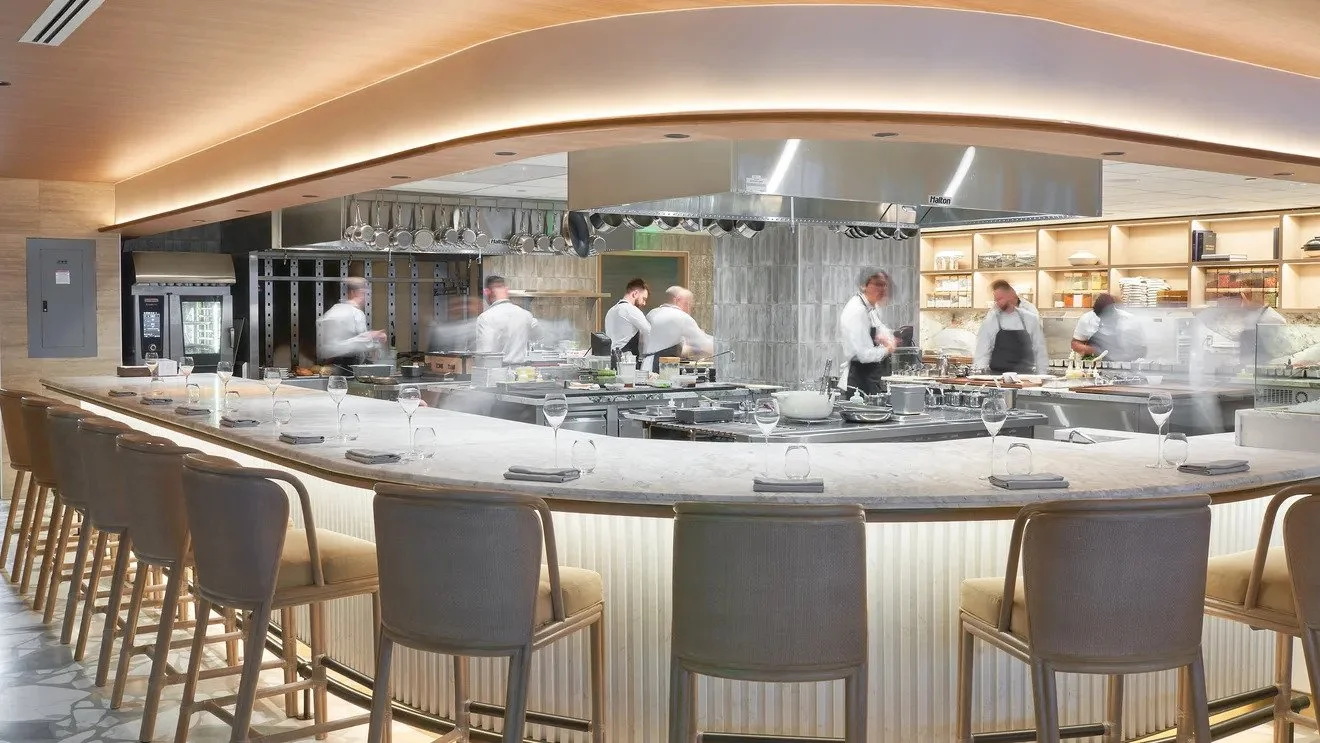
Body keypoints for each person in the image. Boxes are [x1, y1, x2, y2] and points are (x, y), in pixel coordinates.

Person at [838, 267, 896, 396]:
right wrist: (887, 349)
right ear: (864, 285)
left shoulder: (871, 307)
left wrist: (887, 339)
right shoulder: (857, 311)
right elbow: (863, 355)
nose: (883, 289)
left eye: (885, 285)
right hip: (860, 380)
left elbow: (882, 329)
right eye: (878, 284)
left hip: (871, 378)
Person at [973, 279, 1049, 373]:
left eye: (1001, 299)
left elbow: (1040, 349)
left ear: (1011, 295)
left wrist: (1042, 375)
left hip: (1025, 376)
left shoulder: (1030, 318)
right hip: (997, 377)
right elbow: (982, 351)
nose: (998, 303)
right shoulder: (991, 320)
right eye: (996, 300)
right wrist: (978, 375)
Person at [316, 277, 385, 372]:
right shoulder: (355, 314)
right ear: (353, 292)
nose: (366, 297)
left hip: (339, 368)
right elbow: (334, 347)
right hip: (346, 369)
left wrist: (371, 338)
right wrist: (372, 337)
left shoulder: (334, 311)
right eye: (363, 293)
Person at [642, 286, 714, 372]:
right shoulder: (680, 316)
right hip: (661, 369)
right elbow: (705, 345)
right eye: (688, 304)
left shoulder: (652, 313)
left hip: (645, 366)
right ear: (678, 300)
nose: (690, 309)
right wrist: (723, 343)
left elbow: (664, 344)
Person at [473, 275, 542, 364]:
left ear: (486, 292)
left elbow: (485, 354)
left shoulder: (485, 318)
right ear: (506, 290)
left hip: (497, 373)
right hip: (521, 373)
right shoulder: (525, 314)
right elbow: (539, 335)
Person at [1071, 292, 1148, 362]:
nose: (1104, 320)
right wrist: (1091, 350)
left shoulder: (1129, 320)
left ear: (1114, 308)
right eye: (1101, 317)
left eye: (1107, 316)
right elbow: (1075, 343)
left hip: (1123, 365)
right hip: (1094, 365)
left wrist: (1126, 356)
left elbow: (1142, 349)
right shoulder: (1087, 319)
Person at [603, 278, 651, 359]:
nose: (644, 303)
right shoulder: (631, 310)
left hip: (611, 357)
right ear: (635, 293)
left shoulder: (611, 310)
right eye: (644, 299)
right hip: (627, 360)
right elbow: (649, 332)